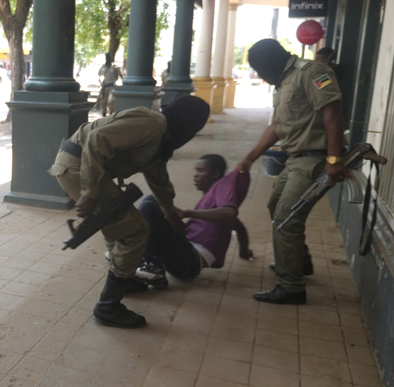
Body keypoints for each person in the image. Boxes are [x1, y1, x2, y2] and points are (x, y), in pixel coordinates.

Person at [49, 96, 211, 328]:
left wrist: (171, 214)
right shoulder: (153, 124)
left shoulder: (159, 138)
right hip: (78, 166)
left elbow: (159, 179)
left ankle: (125, 279)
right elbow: (96, 140)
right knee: (134, 230)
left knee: (120, 226)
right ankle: (108, 306)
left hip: (85, 168)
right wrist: (89, 193)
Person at [238, 39, 349, 305]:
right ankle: (300, 261)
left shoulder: (312, 72)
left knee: (286, 218)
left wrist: (334, 159)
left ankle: (291, 287)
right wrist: (250, 157)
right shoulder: (283, 81)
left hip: (315, 159)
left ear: (270, 62)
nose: (262, 76)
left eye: (260, 69)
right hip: (294, 159)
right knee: (275, 205)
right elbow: (277, 125)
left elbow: (332, 111)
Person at [131, 154, 252, 288]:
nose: (195, 175)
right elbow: (240, 228)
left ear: (215, 174)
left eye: (200, 171)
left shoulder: (221, 188)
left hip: (188, 262)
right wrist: (244, 252)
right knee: (153, 200)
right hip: (184, 258)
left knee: (149, 206)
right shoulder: (211, 206)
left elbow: (230, 213)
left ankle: (152, 267)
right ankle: (142, 260)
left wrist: (187, 213)